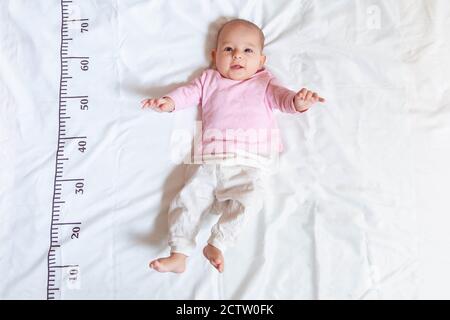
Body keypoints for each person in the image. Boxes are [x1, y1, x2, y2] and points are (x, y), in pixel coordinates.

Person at [141, 19, 325, 273]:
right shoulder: (208, 80)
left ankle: (218, 242)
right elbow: (187, 94)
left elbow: (285, 101)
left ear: (261, 61)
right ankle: (179, 253)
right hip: (209, 161)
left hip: (249, 163)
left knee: (250, 200)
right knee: (188, 201)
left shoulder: (265, 83)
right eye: (228, 49)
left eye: (248, 50)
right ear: (215, 55)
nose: (237, 55)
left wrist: (299, 101)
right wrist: (169, 102)